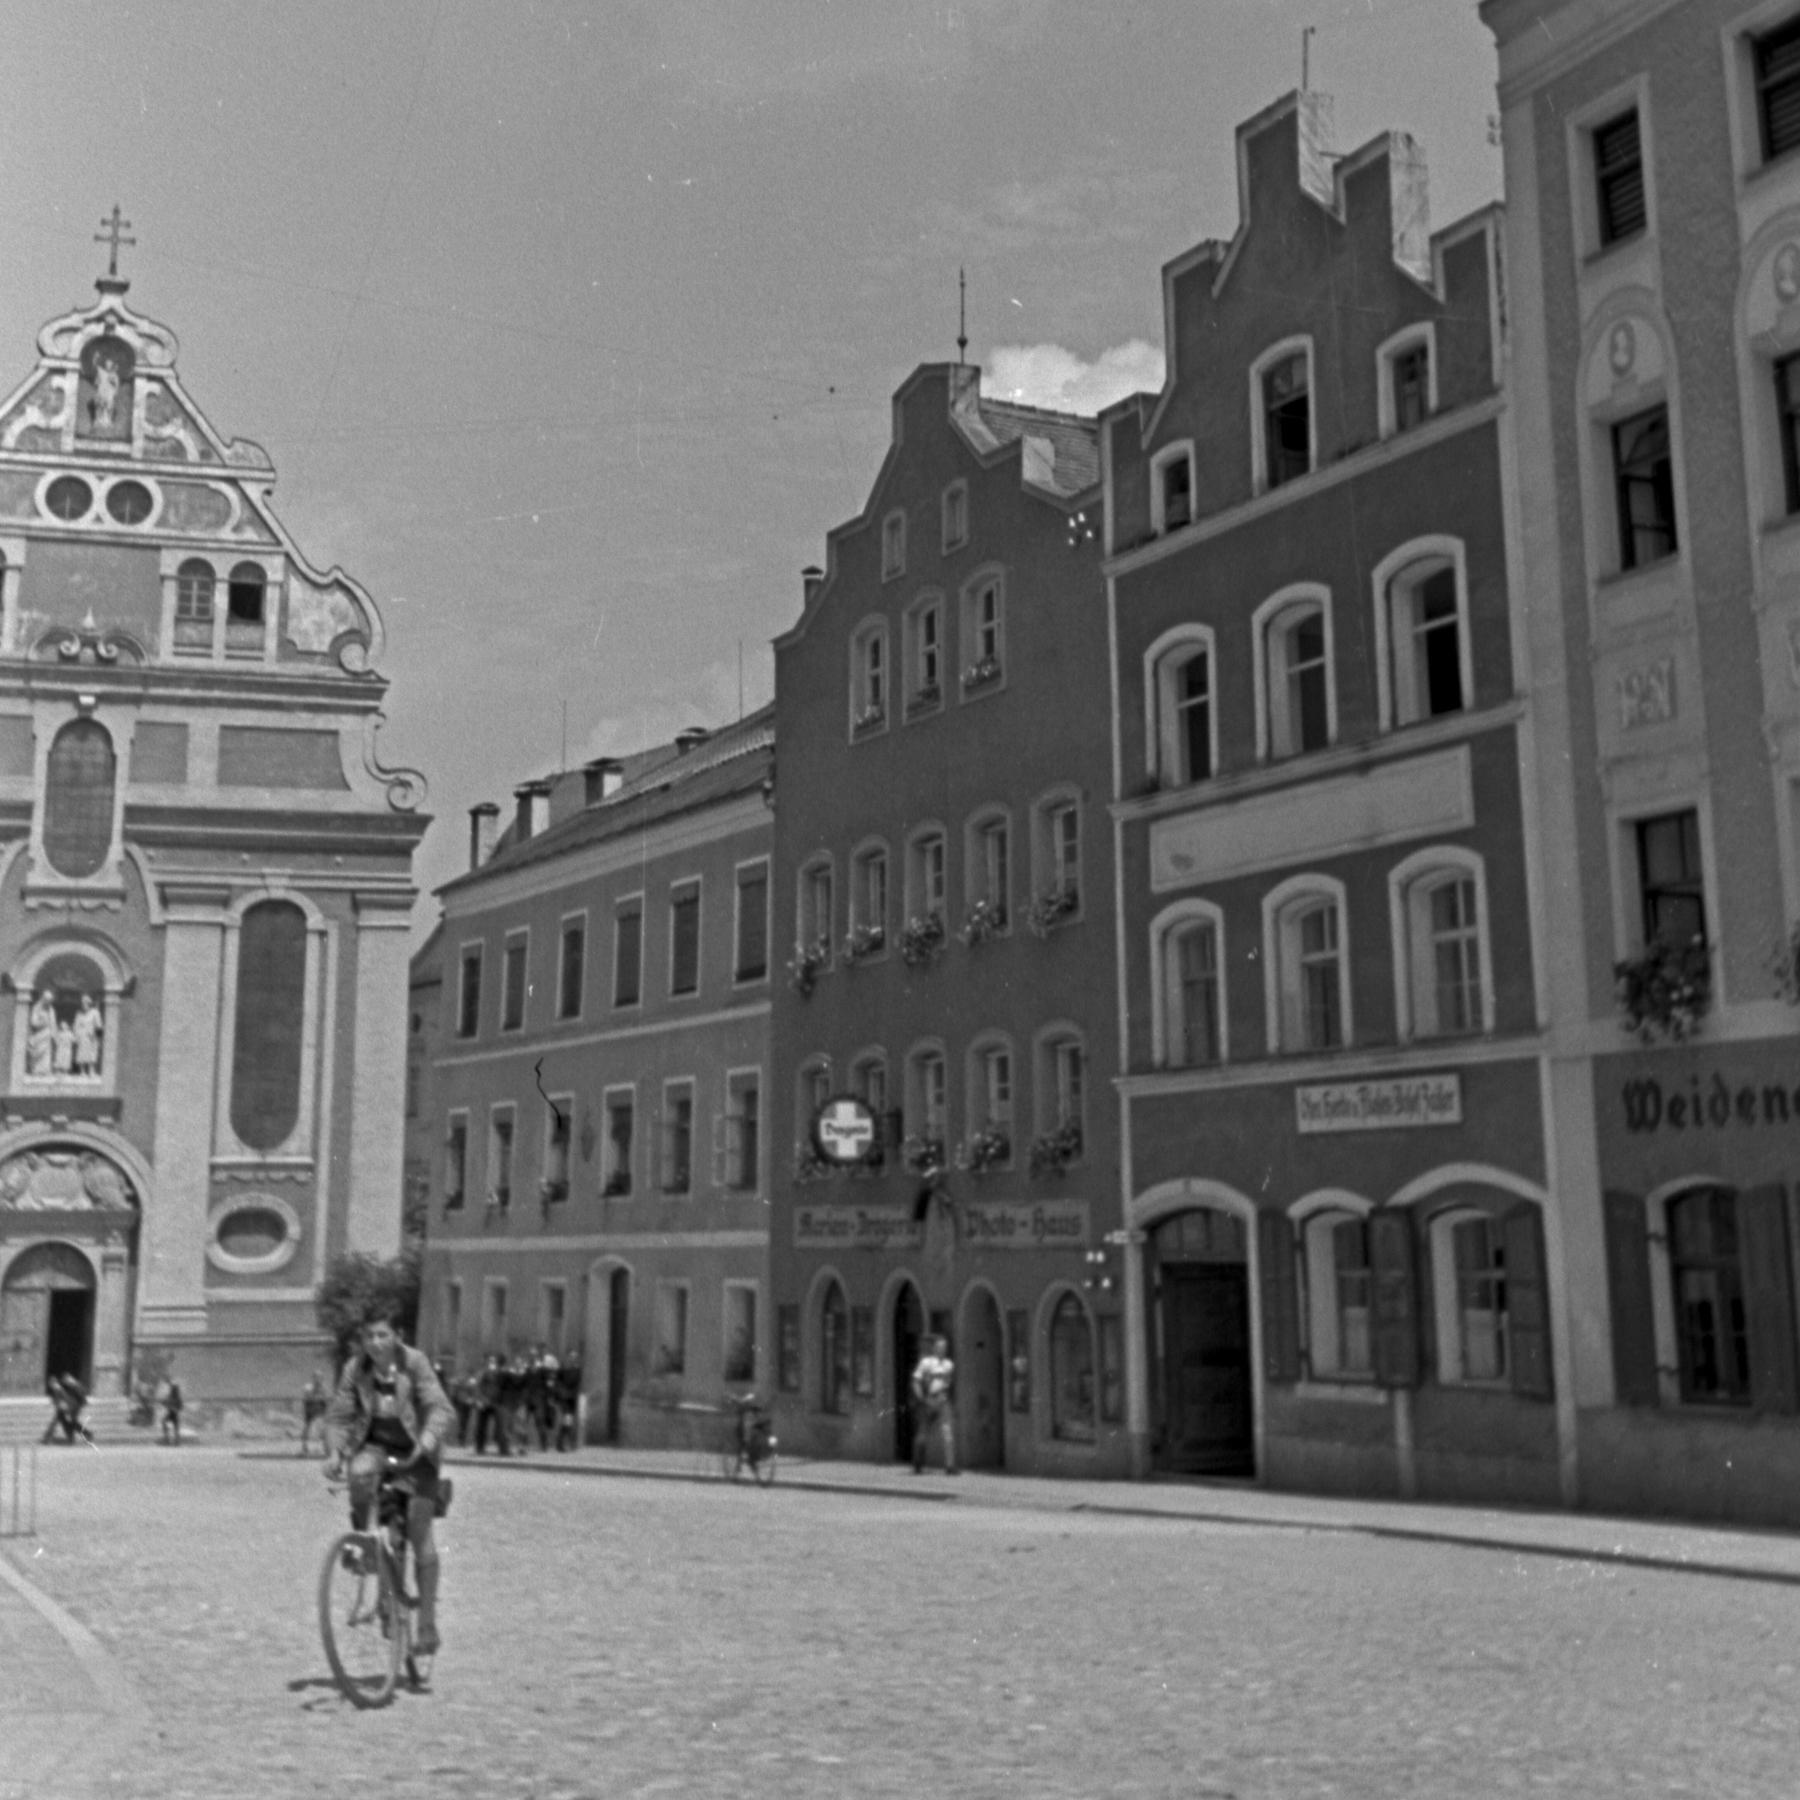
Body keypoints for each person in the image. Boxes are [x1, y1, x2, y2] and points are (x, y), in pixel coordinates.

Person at [322, 1304, 452, 1659]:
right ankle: (366, 1544)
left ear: (397, 1337)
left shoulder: (415, 1364)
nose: (376, 1343)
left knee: (418, 1529)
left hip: (416, 1454)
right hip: (378, 1449)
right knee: (360, 1475)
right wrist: (334, 1452)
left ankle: (426, 1622)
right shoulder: (356, 1369)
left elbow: (441, 1409)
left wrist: (425, 1444)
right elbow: (338, 1416)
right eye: (369, 1336)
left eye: (383, 1335)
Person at [910, 1334, 959, 1475]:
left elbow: (950, 1383)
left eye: (944, 1347)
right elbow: (916, 1380)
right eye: (939, 1347)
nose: (942, 1350)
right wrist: (921, 1397)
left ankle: (950, 1466)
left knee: (947, 1433)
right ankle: (918, 1463)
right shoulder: (926, 1363)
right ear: (934, 1348)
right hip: (929, 1399)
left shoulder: (949, 1365)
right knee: (923, 1433)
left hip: (943, 1400)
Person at [472, 1352, 508, 1456]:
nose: (493, 1363)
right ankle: (479, 1448)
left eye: (494, 1361)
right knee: (481, 1426)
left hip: (497, 1402)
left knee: (501, 1426)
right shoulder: (483, 1372)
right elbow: (477, 1387)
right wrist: (480, 1400)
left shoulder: (501, 1373)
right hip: (484, 1402)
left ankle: (503, 1449)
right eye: (491, 1361)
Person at [299, 1370, 328, 1457]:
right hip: (310, 1410)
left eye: (320, 1377)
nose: (318, 1379)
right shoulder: (308, 1387)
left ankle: (322, 1448)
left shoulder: (323, 1388)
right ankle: (304, 1447)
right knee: (306, 1428)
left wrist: (324, 1409)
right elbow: (306, 1399)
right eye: (316, 1377)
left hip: (319, 1410)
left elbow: (325, 1400)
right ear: (313, 1378)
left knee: (322, 1428)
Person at [159, 1373, 184, 1446]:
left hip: (173, 1414)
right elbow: (165, 1403)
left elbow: (180, 1406)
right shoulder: (172, 1396)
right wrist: (164, 1403)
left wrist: (174, 1408)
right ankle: (170, 1440)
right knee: (167, 1423)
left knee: (173, 1426)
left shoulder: (175, 1397)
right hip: (172, 1413)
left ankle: (172, 1440)